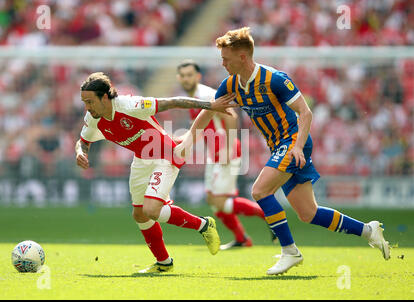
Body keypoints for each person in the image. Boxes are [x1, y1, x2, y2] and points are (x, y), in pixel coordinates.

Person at [176, 27, 390, 275]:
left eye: (226, 58)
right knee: (308, 213)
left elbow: (305, 112)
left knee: (259, 190)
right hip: (279, 146)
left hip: (293, 141)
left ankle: (290, 252)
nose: (222, 63)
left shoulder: (275, 79)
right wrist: (190, 136)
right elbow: (210, 110)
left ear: (243, 57)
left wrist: (298, 146)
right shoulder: (232, 84)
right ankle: (368, 230)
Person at [75, 72, 235, 273]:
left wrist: (209, 105)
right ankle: (164, 263)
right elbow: (84, 141)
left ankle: (203, 225)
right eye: (84, 102)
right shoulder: (93, 118)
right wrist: (81, 153)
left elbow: (172, 101)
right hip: (141, 160)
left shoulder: (130, 106)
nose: (87, 107)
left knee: (151, 210)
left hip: (165, 155)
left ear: (105, 97)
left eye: (90, 102)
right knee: (140, 215)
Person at [176, 59, 277, 249]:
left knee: (219, 201)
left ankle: (270, 216)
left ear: (198, 77)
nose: (186, 79)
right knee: (214, 202)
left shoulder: (206, 94)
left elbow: (232, 115)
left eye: (190, 75)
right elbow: (201, 128)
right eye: (183, 75)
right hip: (214, 154)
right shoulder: (193, 97)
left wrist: (228, 148)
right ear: (178, 78)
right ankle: (242, 239)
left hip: (224, 151)